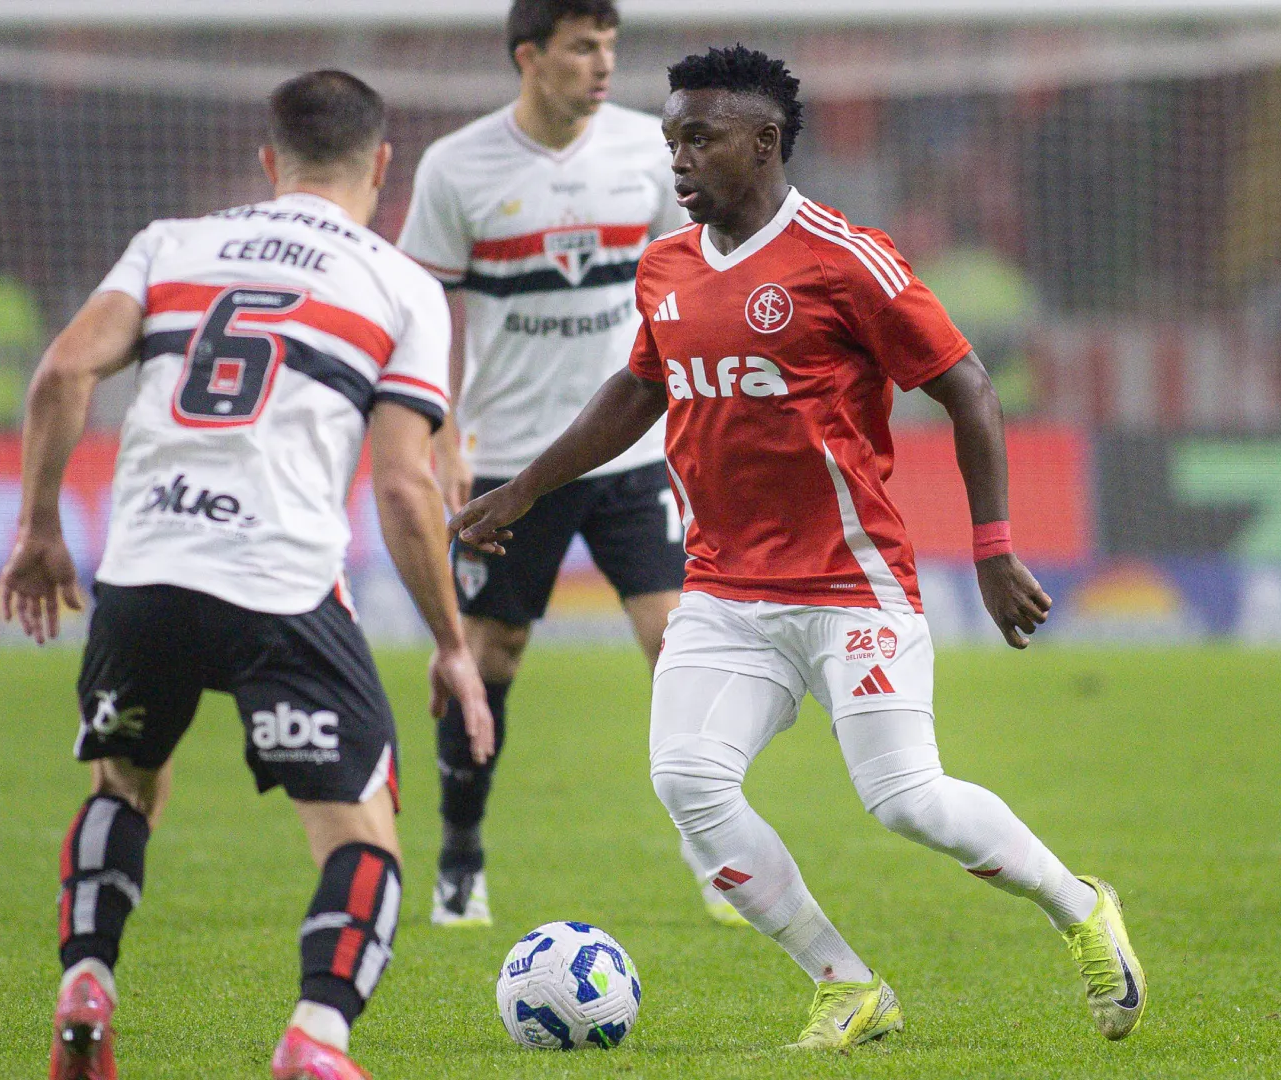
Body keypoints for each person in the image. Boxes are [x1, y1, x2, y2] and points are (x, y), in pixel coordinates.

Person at [452, 46, 1145, 1051]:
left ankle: (1080, 908)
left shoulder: (843, 256)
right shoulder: (667, 267)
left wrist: (994, 548)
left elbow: (967, 386)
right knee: (687, 779)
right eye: (670, 140)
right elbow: (639, 390)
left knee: (905, 801)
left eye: (699, 139)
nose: (677, 161)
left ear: (765, 143)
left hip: (849, 587)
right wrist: (521, 489)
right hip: (725, 590)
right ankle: (845, 985)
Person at [0, 70, 495, 1080]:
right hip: (279, 586)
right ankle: (316, 1037)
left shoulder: (169, 243)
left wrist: (40, 527)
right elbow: (404, 488)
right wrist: (453, 644)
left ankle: (87, 977)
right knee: (362, 834)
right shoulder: (401, 286)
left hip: (142, 569)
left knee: (126, 787)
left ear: (270, 163)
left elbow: (60, 372)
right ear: (382, 167)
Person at [395, 0, 707, 929]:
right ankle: (459, 852)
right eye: (582, 46)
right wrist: (442, 435)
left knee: (677, 639)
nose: (602, 62)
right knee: (492, 652)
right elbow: (427, 314)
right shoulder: (456, 168)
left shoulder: (650, 154)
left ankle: (712, 840)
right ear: (530, 57)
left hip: (629, 446)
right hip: (509, 459)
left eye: (609, 44)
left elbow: (677, 289)